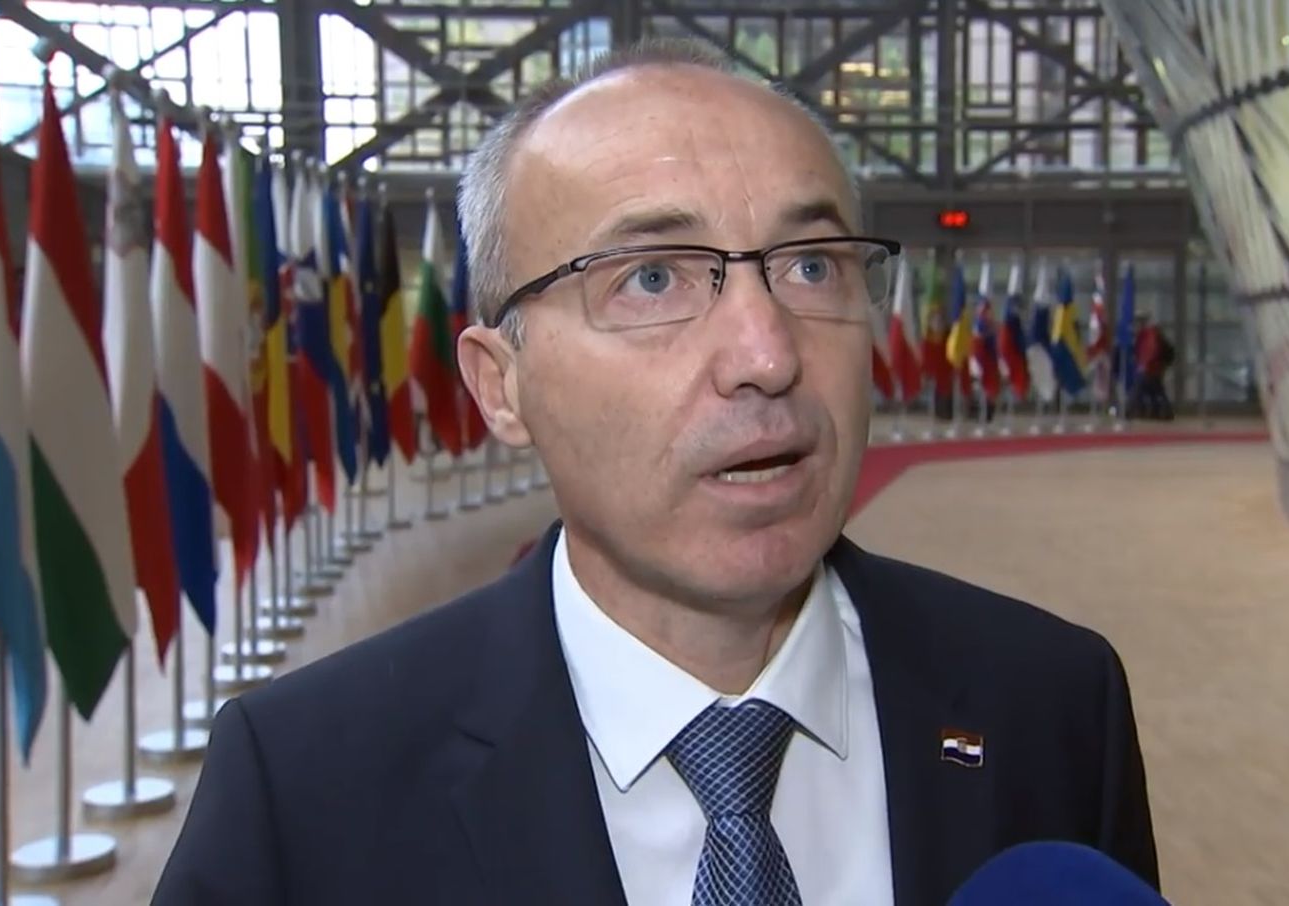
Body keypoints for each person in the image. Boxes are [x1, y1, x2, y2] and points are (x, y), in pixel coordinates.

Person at [153, 38, 1158, 905]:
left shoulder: (1056, 707)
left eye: (812, 266)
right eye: (652, 278)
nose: (767, 353)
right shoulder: (300, 793)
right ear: (501, 386)